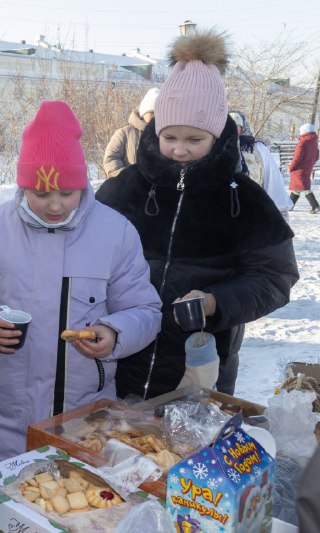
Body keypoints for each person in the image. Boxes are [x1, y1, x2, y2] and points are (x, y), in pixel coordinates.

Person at [0, 100, 162, 461]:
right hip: (5, 418)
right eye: (41, 193)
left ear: (83, 186)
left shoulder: (115, 232)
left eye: (67, 193)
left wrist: (116, 332)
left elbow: (145, 310)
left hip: (85, 418)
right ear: (24, 185)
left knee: (74, 506)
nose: (55, 205)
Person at [95, 29, 299, 399]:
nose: (179, 150)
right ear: (155, 130)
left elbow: (275, 277)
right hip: (117, 360)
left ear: (218, 136)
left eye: (194, 140)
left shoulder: (246, 200)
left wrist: (215, 302)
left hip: (202, 366)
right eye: (170, 137)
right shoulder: (122, 189)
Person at [228, 110, 292, 219]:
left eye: (236, 126)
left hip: (253, 212)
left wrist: (279, 213)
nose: (231, 130)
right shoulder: (212, 149)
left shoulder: (257, 149)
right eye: (228, 126)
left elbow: (272, 180)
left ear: (243, 128)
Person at [102, 87, 159, 178]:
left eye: (159, 112)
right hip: (129, 189)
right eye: (151, 112)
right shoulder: (124, 133)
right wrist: (128, 178)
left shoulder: (167, 136)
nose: (155, 116)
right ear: (143, 113)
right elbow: (111, 159)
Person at [288, 123, 320, 213]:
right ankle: (289, 205)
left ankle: (315, 206)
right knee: (297, 188)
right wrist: (310, 163)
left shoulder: (302, 142)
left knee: (304, 188)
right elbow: (317, 156)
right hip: (308, 167)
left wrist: (291, 167)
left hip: (299, 169)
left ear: (304, 132)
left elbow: (297, 158)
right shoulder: (314, 142)